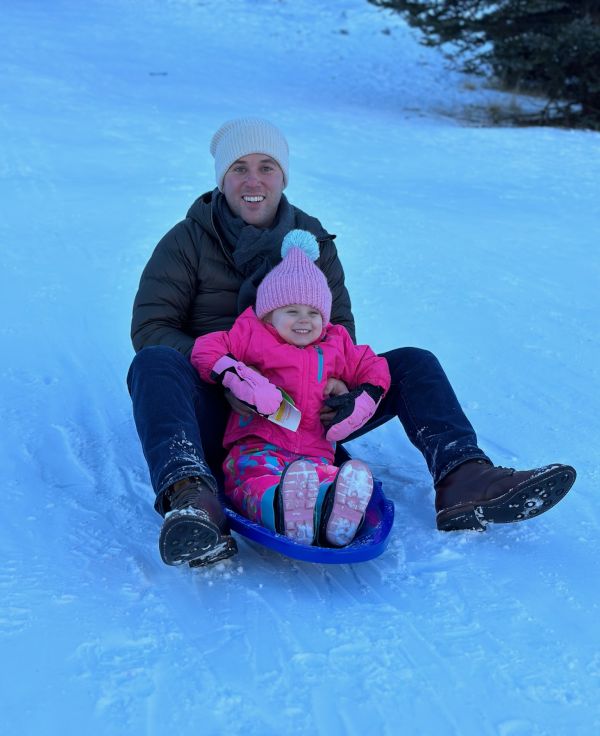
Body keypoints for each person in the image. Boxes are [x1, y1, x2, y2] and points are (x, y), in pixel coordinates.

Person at [128, 117, 576, 568]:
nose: (253, 180)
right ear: (222, 178)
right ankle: (191, 497)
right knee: (153, 362)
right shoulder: (187, 241)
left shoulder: (312, 239)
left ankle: (463, 476)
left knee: (413, 364)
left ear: (283, 175)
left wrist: (345, 386)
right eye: (239, 168)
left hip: (306, 405)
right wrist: (230, 376)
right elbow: (152, 325)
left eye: (267, 166)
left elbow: (337, 327)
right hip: (226, 401)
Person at [190, 229, 391, 551]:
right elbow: (205, 349)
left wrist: (362, 396)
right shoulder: (252, 335)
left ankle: (333, 513)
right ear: (269, 314)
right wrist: (238, 375)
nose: (304, 321)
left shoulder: (335, 342)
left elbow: (373, 365)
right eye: (292, 311)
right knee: (253, 480)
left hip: (314, 452)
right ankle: (280, 508)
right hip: (258, 445)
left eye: (313, 313)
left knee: (325, 478)